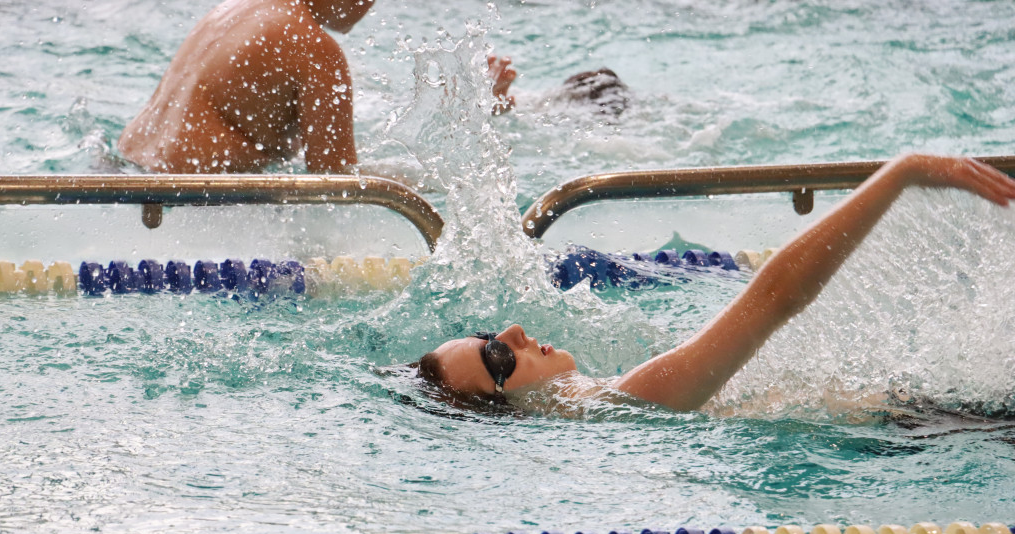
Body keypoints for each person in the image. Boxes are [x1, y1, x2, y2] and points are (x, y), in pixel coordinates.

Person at [416, 154, 1015, 412]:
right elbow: (777, 299)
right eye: (497, 354)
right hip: (936, 428)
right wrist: (901, 175)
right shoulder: (629, 399)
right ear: (512, 408)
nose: (515, 331)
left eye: (490, 333)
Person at [120, 0, 518, 173]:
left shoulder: (236, 11)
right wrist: (461, 124)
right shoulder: (316, 50)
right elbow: (339, 186)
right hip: (188, 198)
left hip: (123, 170)